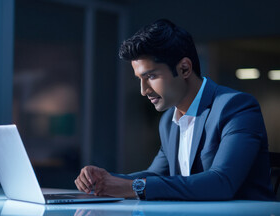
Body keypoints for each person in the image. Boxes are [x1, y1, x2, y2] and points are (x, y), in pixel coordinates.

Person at [74, 19, 276, 201]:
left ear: (185, 69)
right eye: (140, 80)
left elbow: (222, 183)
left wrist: (132, 187)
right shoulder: (169, 120)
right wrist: (105, 179)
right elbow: (156, 176)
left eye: (151, 77)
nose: (144, 91)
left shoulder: (236, 107)